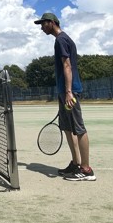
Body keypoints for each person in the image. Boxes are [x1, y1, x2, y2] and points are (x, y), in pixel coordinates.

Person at [34, 12, 96, 182]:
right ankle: (76, 164)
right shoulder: (61, 39)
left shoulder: (61, 39)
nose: (41, 27)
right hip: (64, 91)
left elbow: (67, 65)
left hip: (70, 91)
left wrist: (68, 92)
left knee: (79, 128)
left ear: (52, 22)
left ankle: (86, 169)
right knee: (68, 128)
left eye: (43, 23)